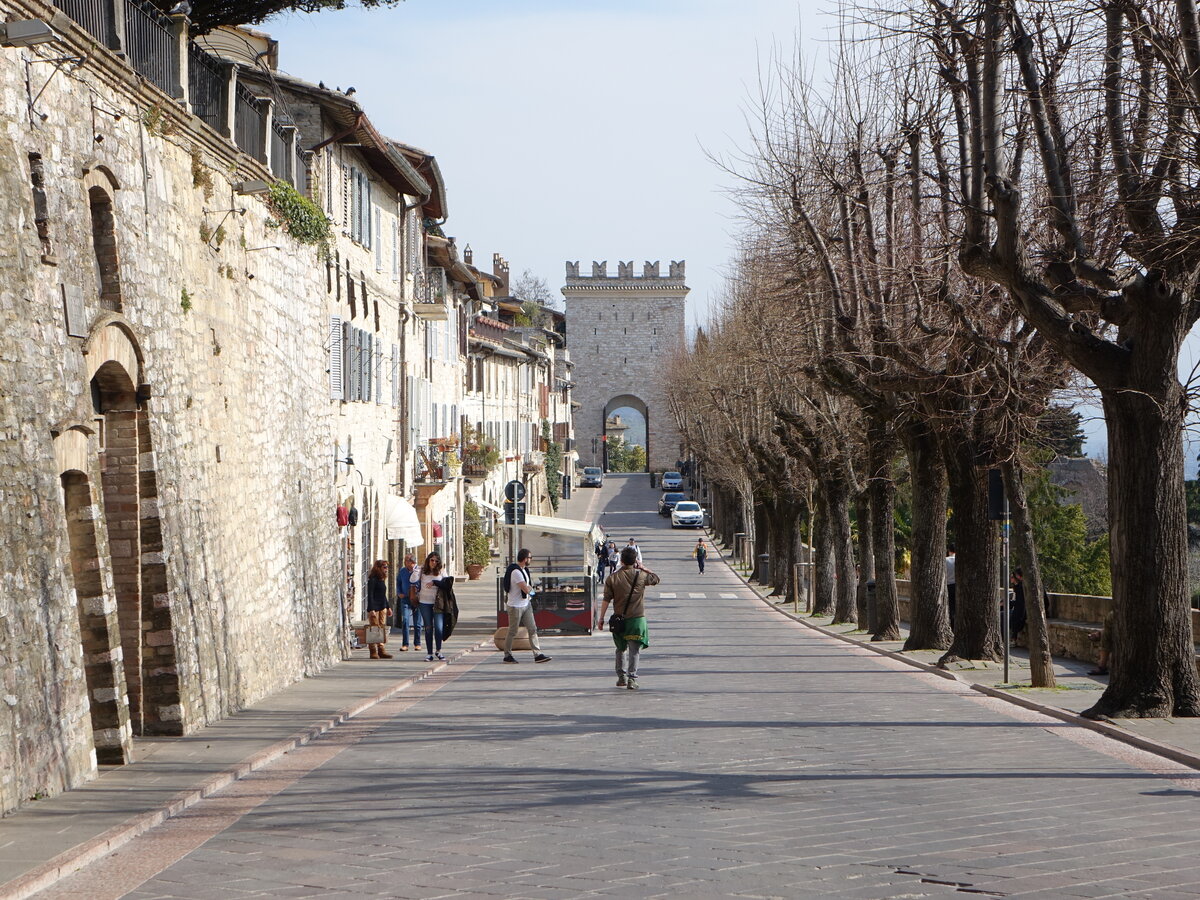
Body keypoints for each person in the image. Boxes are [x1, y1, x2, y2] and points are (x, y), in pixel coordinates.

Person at [599, 547, 660, 690]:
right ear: (635, 561)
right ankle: (632, 679)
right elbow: (656, 579)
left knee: (620, 649)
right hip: (637, 619)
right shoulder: (641, 576)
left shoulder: (612, 578)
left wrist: (601, 618)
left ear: (621, 561)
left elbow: (606, 600)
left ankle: (621, 677)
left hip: (619, 620)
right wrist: (643, 568)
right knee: (634, 651)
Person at [503, 548, 552, 664]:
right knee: (513, 631)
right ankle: (507, 655)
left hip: (526, 604)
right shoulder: (516, 572)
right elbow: (525, 587)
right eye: (530, 557)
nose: (531, 560)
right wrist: (535, 593)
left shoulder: (524, 570)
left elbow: (528, 585)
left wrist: (532, 591)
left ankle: (537, 654)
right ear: (525, 559)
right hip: (515, 606)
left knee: (532, 629)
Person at [414, 552, 446, 661]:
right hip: (424, 602)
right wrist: (416, 570)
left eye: (436, 561)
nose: (433, 563)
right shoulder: (422, 571)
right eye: (432, 560)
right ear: (428, 560)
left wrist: (435, 582)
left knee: (439, 628)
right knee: (428, 628)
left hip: (438, 603)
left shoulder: (441, 571)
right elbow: (412, 580)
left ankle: (439, 650)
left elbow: (448, 584)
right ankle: (429, 653)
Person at [365, 560, 393, 660]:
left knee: (381, 628)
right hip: (374, 607)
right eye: (384, 567)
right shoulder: (373, 579)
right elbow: (370, 595)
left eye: (387, 567)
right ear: (379, 568)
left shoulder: (381, 579)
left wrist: (388, 607)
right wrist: (371, 609)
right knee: (374, 629)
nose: (386, 569)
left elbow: (383, 595)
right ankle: (373, 650)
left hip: (382, 607)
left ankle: (381, 650)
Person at [395, 554, 420, 651]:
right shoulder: (402, 571)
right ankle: (405, 644)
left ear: (412, 562)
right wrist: (399, 592)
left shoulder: (419, 571)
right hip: (405, 598)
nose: (405, 563)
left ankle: (417, 643)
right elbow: (398, 582)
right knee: (405, 620)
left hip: (417, 599)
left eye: (407, 561)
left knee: (417, 623)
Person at [1008, 568, 1027, 641]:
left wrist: (1007, 603)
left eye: (1013, 577)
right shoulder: (1016, 587)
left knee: (1007, 616)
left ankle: (1012, 638)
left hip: (1020, 610)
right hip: (1015, 608)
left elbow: (1019, 602)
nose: (1011, 579)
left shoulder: (1021, 587)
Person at [945, 546, 957, 625]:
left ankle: (952, 624)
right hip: (957, 586)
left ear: (949, 551)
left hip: (949, 585)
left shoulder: (946, 560)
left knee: (950, 607)